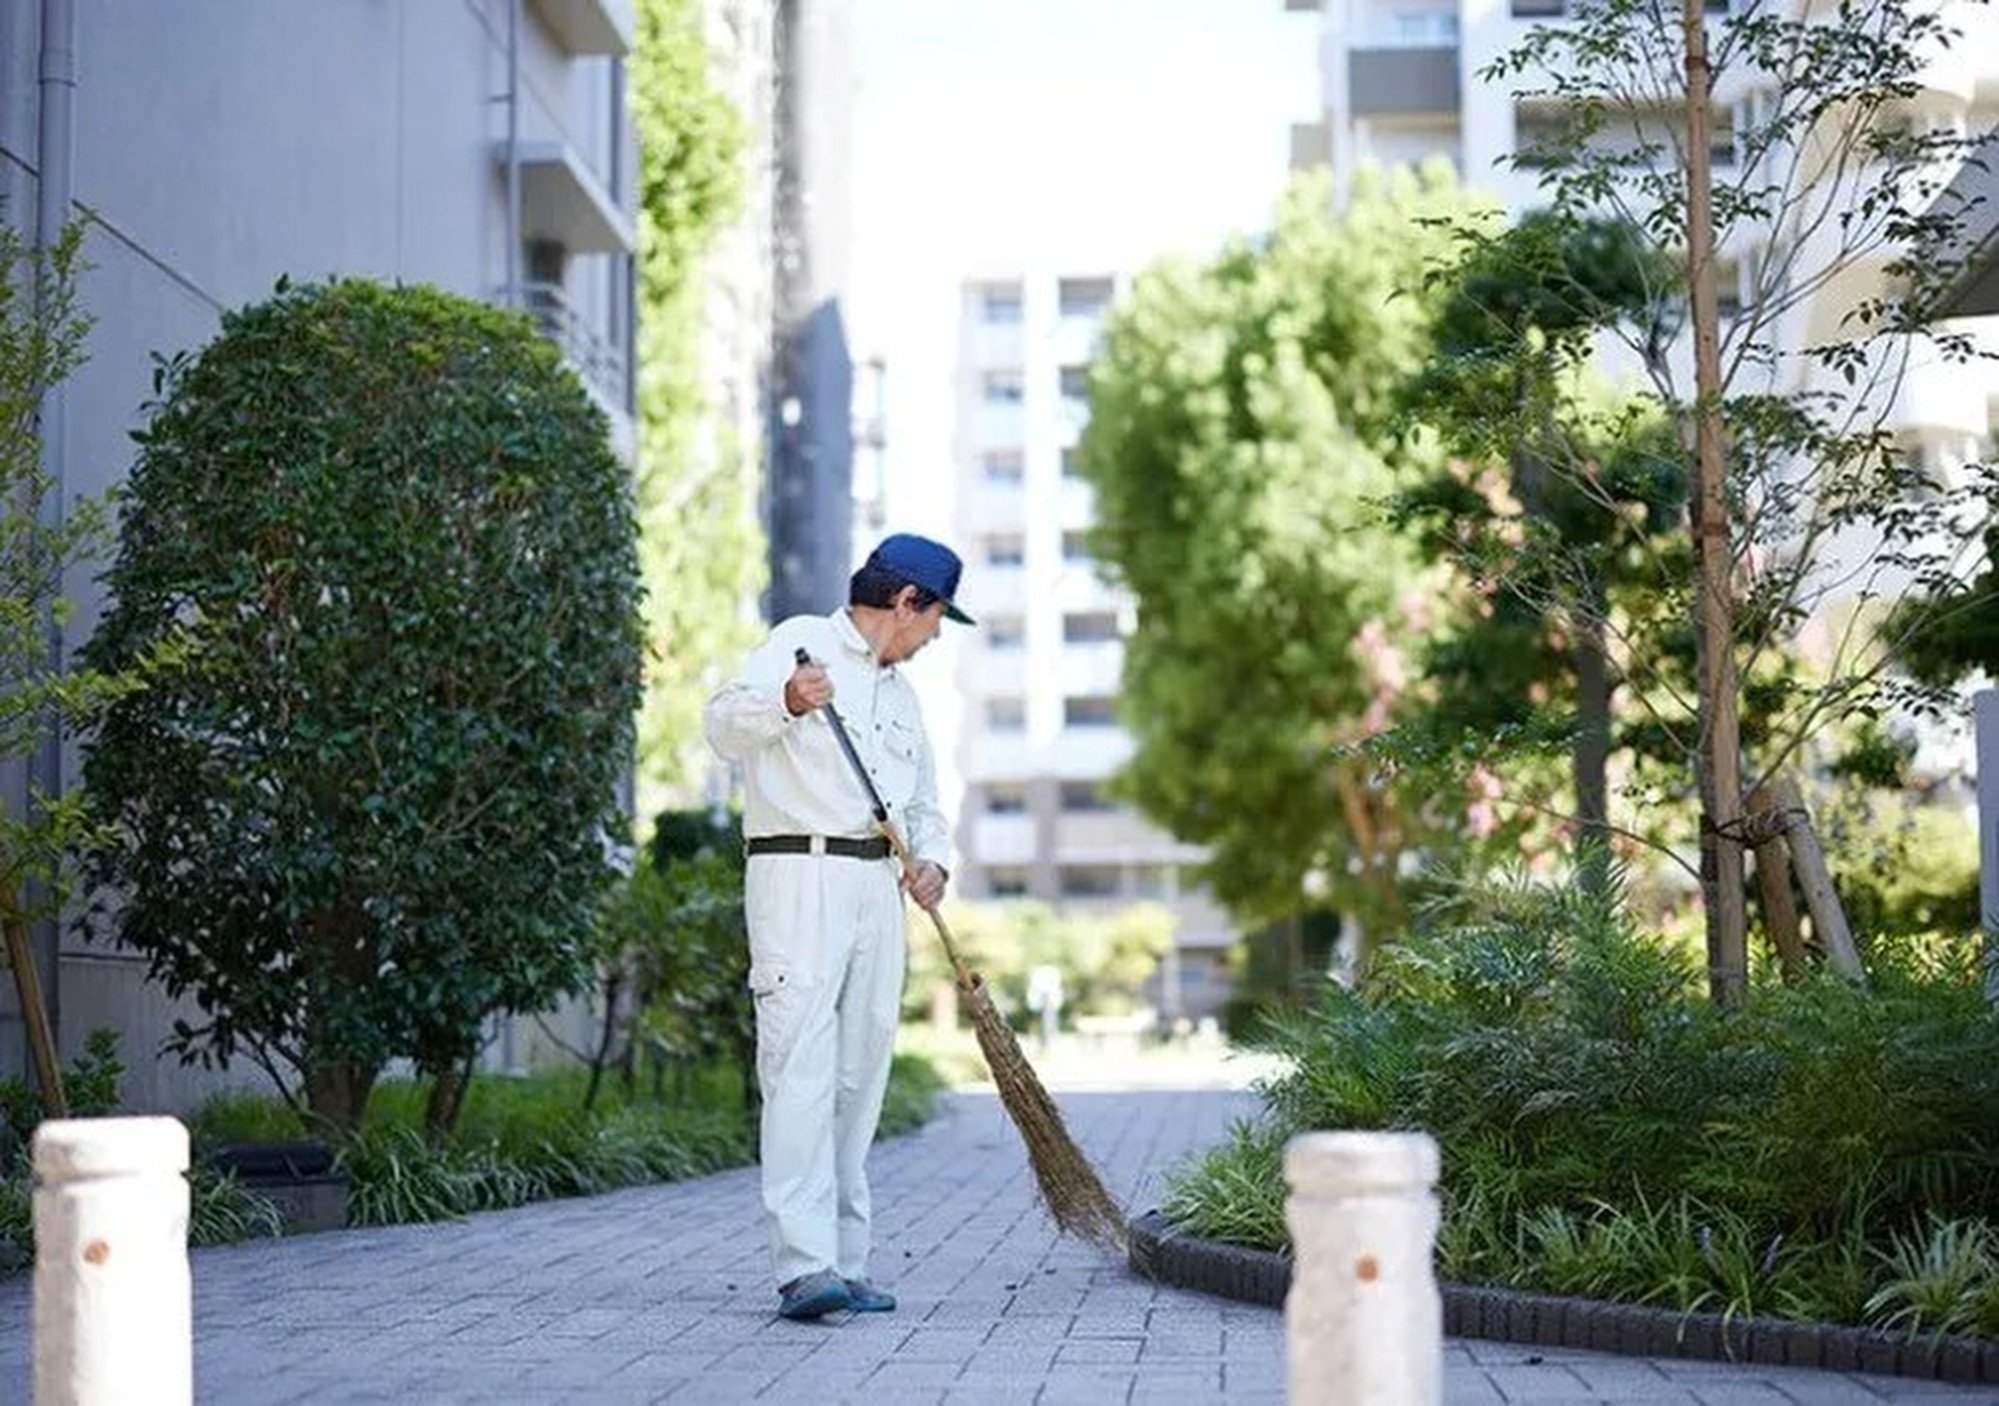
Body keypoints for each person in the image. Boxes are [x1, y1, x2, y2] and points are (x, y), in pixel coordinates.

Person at [702, 532, 972, 1321]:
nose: (931, 639)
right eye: (935, 620)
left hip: (874, 889)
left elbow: (924, 806)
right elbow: (720, 728)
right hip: (799, 874)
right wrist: (785, 702)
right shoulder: (799, 644)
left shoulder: (900, 695)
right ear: (906, 602)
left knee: (859, 1073)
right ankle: (803, 1266)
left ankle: (846, 1264)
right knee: (799, 1065)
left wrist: (931, 864)